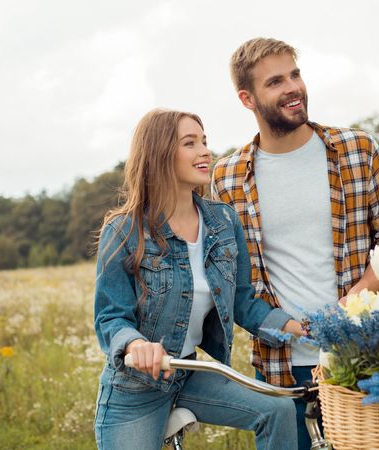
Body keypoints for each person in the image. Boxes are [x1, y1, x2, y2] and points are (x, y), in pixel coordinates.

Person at [212, 37, 379, 449]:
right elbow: (228, 280)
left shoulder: (358, 150)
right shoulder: (226, 178)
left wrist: (351, 304)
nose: (293, 88)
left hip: (365, 354)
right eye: (276, 82)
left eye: (295, 75)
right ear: (247, 98)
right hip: (281, 365)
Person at [94, 108, 305, 450]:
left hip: (189, 374)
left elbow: (242, 302)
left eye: (204, 141)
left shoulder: (222, 221)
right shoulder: (123, 230)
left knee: (277, 410)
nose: (205, 151)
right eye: (190, 143)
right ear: (160, 154)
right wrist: (137, 345)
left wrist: (302, 328)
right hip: (135, 388)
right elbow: (110, 317)